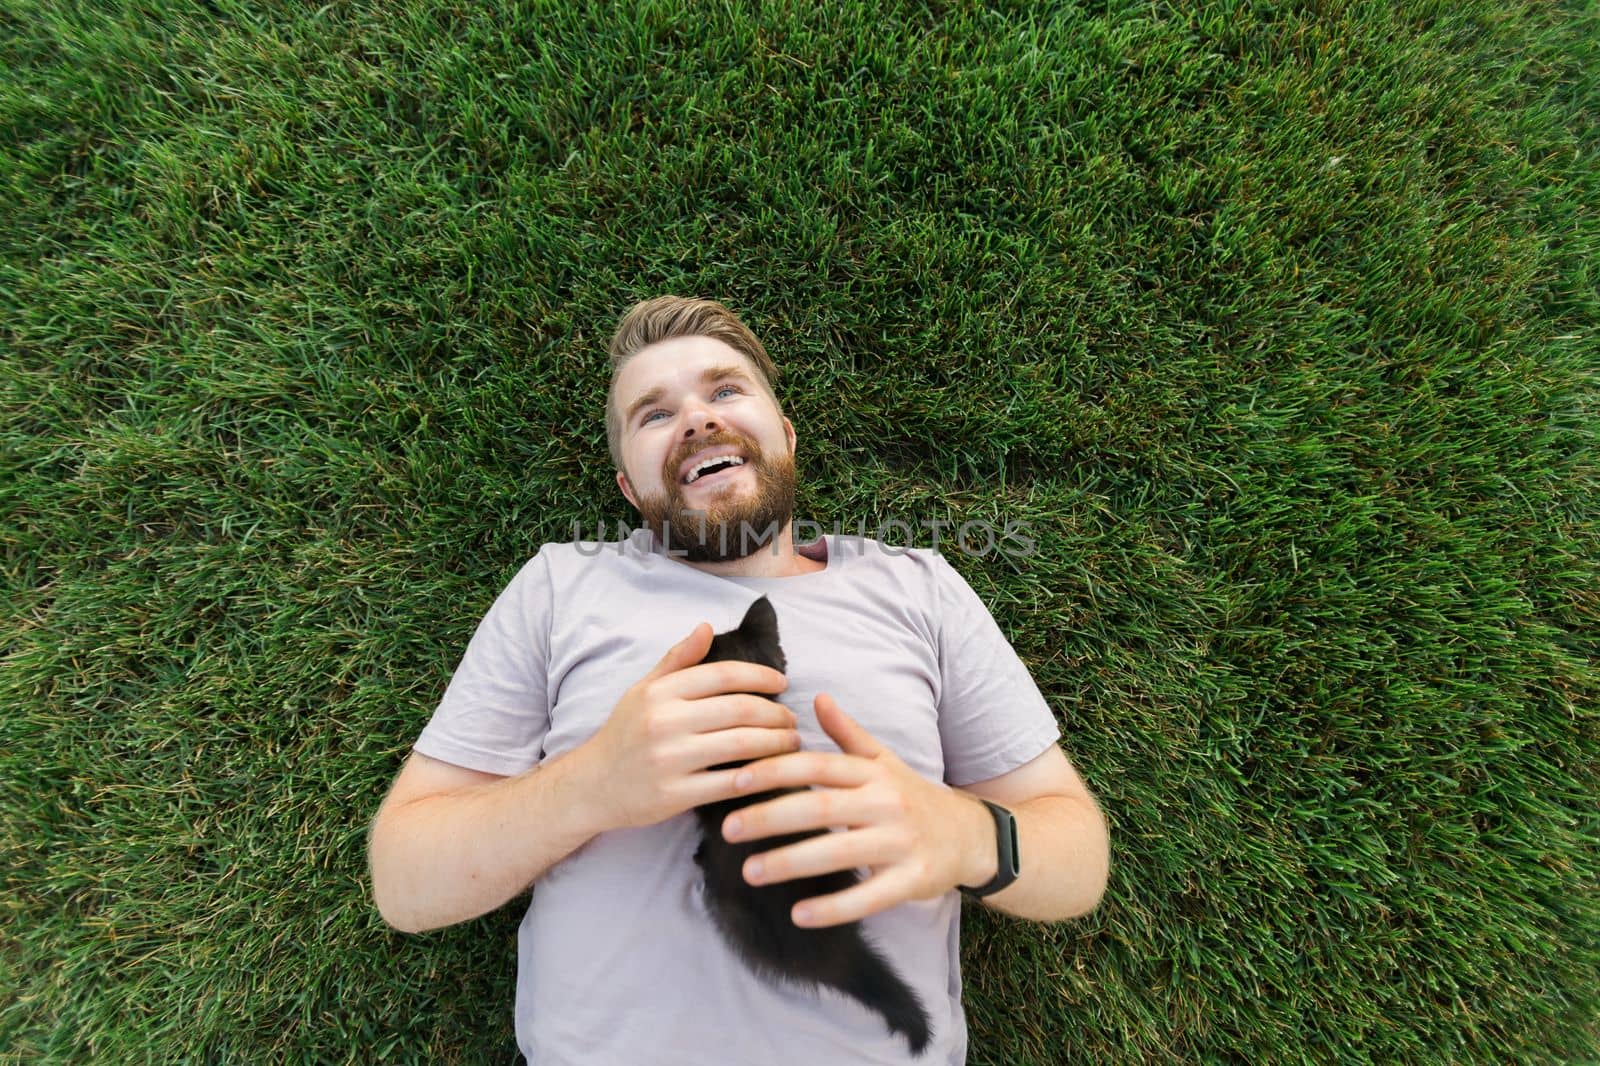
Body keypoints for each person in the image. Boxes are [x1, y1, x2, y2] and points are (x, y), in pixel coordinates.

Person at [367, 296, 1110, 1064]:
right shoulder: (561, 587)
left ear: (784, 437)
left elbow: (1079, 862)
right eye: (654, 415)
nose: (696, 419)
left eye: (726, 392)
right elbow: (405, 883)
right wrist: (589, 784)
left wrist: (961, 834)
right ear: (629, 488)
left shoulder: (915, 586)